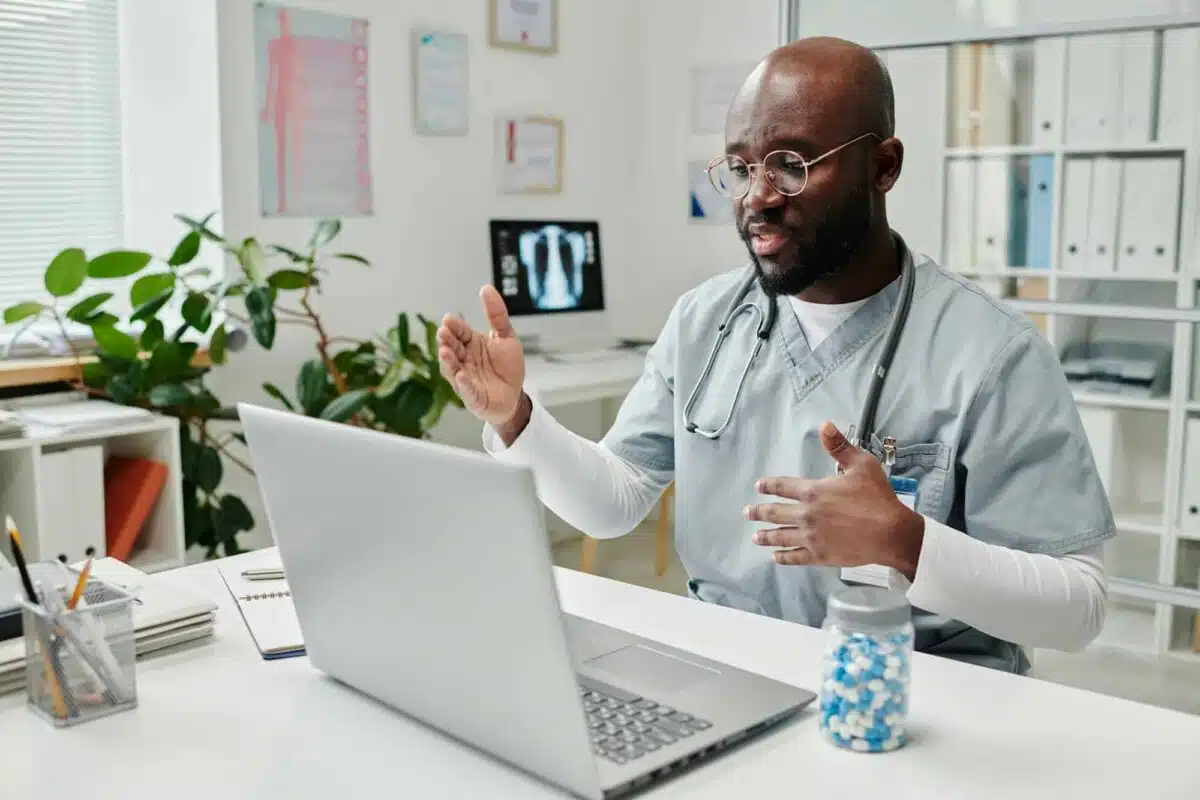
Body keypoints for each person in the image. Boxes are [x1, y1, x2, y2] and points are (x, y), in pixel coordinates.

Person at [436, 36, 1113, 674]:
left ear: (883, 166)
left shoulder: (992, 352)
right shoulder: (704, 320)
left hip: (911, 692)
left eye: (792, 165)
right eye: (739, 168)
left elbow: (1078, 609)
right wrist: (516, 419)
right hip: (731, 670)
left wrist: (904, 542)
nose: (757, 198)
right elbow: (616, 502)